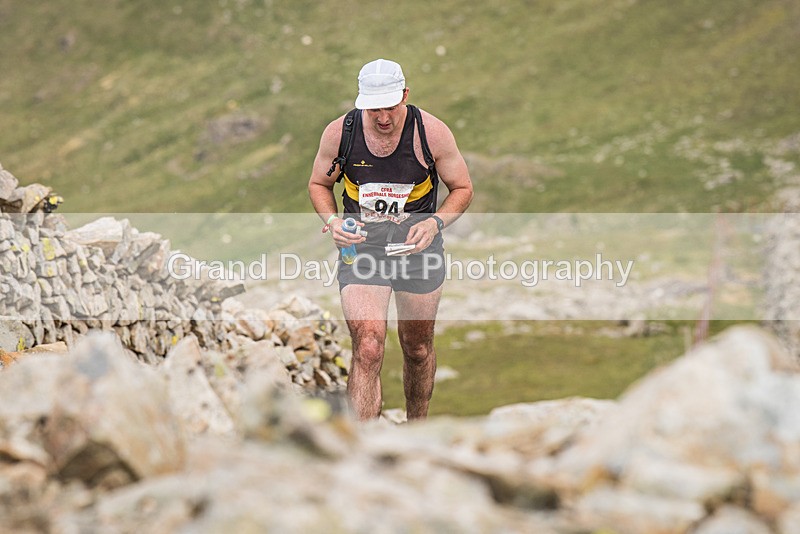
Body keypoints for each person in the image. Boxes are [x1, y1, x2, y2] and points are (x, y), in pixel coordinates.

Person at [308, 58, 473, 421]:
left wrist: (434, 224)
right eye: (373, 108)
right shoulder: (341, 133)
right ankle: (360, 450)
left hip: (419, 248)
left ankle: (417, 432)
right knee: (367, 346)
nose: (383, 117)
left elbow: (462, 188)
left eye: (391, 106)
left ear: (405, 96)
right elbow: (319, 184)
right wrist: (333, 220)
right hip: (363, 248)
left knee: (416, 347)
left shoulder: (432, 133)